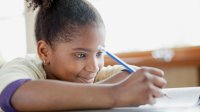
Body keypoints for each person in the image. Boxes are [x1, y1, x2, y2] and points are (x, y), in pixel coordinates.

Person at [0, 0, 167, 111]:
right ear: (45, 52)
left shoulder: (92, 76)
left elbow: (131, 74)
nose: (94, 66)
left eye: (99, 53)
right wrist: (113, 94)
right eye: (80, 55)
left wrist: (113, 90)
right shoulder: (23, 67)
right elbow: (15, 94)